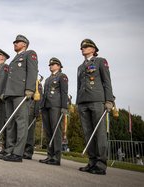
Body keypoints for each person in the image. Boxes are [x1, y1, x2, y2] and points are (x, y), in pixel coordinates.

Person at [77, 39, 114, 175]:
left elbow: (106, 81)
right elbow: (79, 85)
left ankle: (100, 164)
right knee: (88, 133)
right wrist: (77, 102)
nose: (83, 48)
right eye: (82, 47)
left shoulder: (100, 61)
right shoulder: (80, 67)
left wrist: (109, 100)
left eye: (86, 46)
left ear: (93, 49)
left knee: (99, 133)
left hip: (97, 100)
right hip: (83, 102)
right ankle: (92, 162)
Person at [3, 35, 38, 162]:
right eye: (14, 42)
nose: (15, 44)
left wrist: (30, 89)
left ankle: (18, 153)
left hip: (21, 93)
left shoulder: (30, 54)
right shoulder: (14, 59)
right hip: (10, 94)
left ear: (24, 44)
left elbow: (33, 72)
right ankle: (9, 150)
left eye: (17, 42)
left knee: (21, 123)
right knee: (10, 123)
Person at [39, 57, 68, 166]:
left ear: (59, 66)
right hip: (46, 106)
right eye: (50, 65)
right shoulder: (47, 79)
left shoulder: (62, 76)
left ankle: (56, 157)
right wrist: (41, 106)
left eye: (53, 64)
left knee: (56, 131)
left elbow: (64, 92)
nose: (51, 66)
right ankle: (50, 155)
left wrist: (64, 107)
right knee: (48, 132)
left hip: (56, 106)